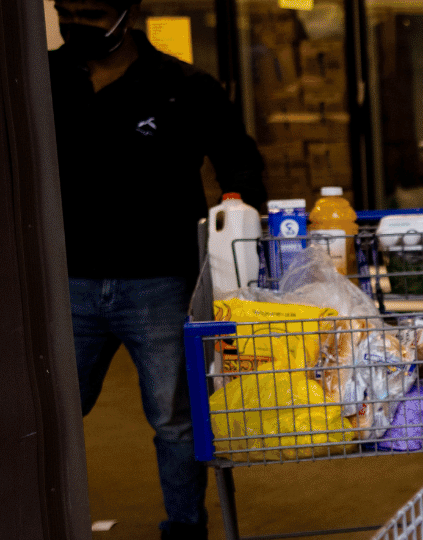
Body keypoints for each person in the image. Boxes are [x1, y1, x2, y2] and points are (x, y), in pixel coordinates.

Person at [51, 0, 267, 538]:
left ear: (129, 11)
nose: (81, 23)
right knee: (45, 414)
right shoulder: (41, 82)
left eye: (94, 12)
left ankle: (185, 527)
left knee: (174, 421)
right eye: (68, 9)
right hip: (66, 284)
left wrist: (239, 220)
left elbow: (237, 160)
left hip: (159, 283)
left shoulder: (184, 87)